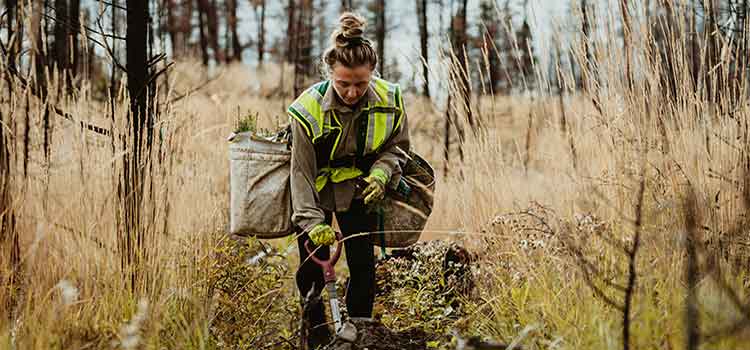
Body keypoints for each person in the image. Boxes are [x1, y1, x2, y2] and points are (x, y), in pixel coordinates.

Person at [287, 11, 410, 349]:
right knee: (311, 272)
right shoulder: (307, 109)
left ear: (372, 73)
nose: (353, 92)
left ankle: (359, 337)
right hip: (314, 194)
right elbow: (300, 173)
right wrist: (312, 223)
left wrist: (382, 173)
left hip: (360, 191)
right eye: (343, 84)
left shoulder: (390, 100)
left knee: (363, 269)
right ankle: (315, 338)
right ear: (330, 74)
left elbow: (398, 148)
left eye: (361, 83)